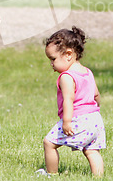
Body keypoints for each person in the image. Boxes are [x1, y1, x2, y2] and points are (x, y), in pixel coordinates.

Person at [37, 26, 106, 177]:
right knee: (92, 150)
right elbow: (96, 95)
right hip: (95, 119)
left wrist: (67, 121)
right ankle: (99, 177)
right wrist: (96, 109)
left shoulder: (67, 77)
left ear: (68, 54)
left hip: (77, 118)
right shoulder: (88, 72)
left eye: (53, 59)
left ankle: (52, 174)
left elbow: (68, 100)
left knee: (49, 143)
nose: (51, 64)